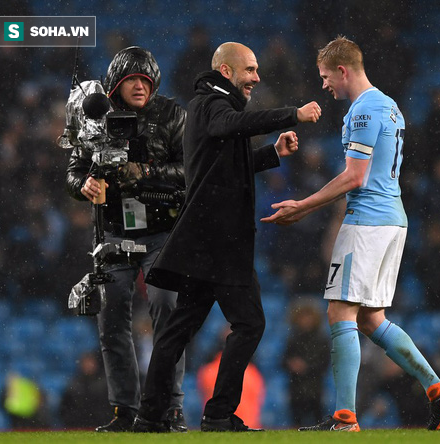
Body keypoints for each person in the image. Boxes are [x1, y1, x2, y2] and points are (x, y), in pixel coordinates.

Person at [261, 36, 440, 432]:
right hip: (392, 220)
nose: (323, 85)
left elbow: (356, 176)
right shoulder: (389, 106)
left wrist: (303, 205)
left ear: (342, 70)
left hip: (368, 221)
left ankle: (344, 418)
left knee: (340, 312)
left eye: (324, 77)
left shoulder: (364, 109)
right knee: (371, 319)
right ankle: (437, 389)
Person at [130, 42, 321, 433]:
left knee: (178, 330)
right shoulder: (210, 104)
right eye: (250, 70)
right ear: (226, 72)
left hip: (205, 241)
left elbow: (224, 165)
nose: (257, 77)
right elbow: (230, 127)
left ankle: (149, 416)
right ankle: (217, 414)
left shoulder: (213, 108)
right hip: (219, 242)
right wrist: (293, 115)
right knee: (249, 324)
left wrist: (272, 153)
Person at [65, 46, 188, 432]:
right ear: (116, 86)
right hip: (114, 232)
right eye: (132, 80)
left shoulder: (171, 114)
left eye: (145, 80)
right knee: (111, 316)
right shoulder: (94, 116)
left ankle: (169, 409)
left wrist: (145, 172)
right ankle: (126, 411)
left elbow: (190, 170)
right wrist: (82, 183)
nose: (139, 86)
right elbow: (74, 169)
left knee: (168, 309)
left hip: (162, 230)